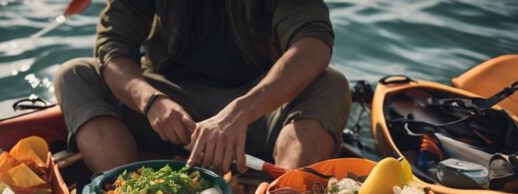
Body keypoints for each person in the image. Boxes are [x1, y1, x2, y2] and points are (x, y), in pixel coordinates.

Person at [54, 0, 351, 174]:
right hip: (171, 112)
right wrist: (151, 101)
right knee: (74, 75)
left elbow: (313, 42)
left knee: (332, 83)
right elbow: (112, 46)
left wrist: (239, 113)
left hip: (257, 113)